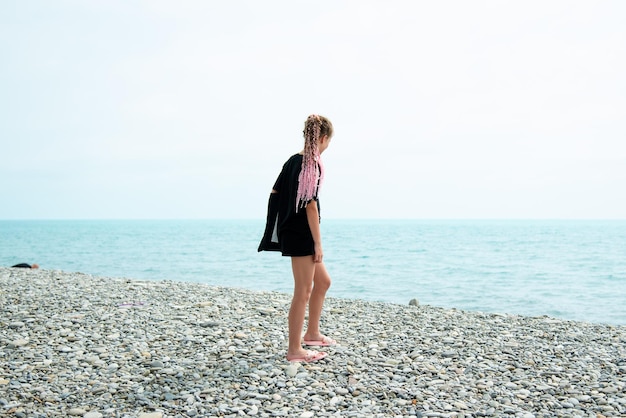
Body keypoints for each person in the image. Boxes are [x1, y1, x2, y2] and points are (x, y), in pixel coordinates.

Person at [259, 114, 336, 363]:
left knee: (323, 282)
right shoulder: (309, 164)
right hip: (301, 233)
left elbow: (275, 192)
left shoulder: (294, 161)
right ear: (323, 138)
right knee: (303, 291)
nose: (326, 148)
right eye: (327, 143)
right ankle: (295, 350)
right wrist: (318, 243)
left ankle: (312, 333)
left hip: (294, 230)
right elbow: (310, 205)